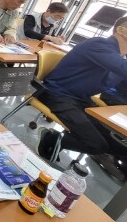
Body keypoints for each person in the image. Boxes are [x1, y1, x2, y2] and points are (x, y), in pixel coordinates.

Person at [36, 16, 127, 180]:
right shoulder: (100, 45)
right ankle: (54, 138)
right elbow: (122, 69)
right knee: (97, 144)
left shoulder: (117, 56)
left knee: (115, 141)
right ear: (122, 31)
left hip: (81, 99)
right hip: (58, 94)